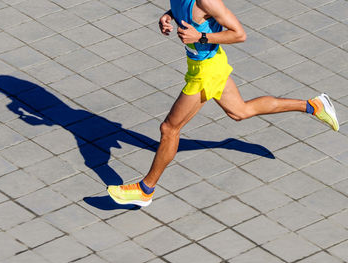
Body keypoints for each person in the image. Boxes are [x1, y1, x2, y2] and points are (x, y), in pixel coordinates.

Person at [107, 0, 339, 207]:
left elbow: (239, 34)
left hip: (206, 72)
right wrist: (168, 15)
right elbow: (183, 10)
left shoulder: (208, 2)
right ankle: (314, 105)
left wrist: (201, 37)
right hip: (206, 65)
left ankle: (145, 190)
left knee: (169, 129)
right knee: (240, 111)